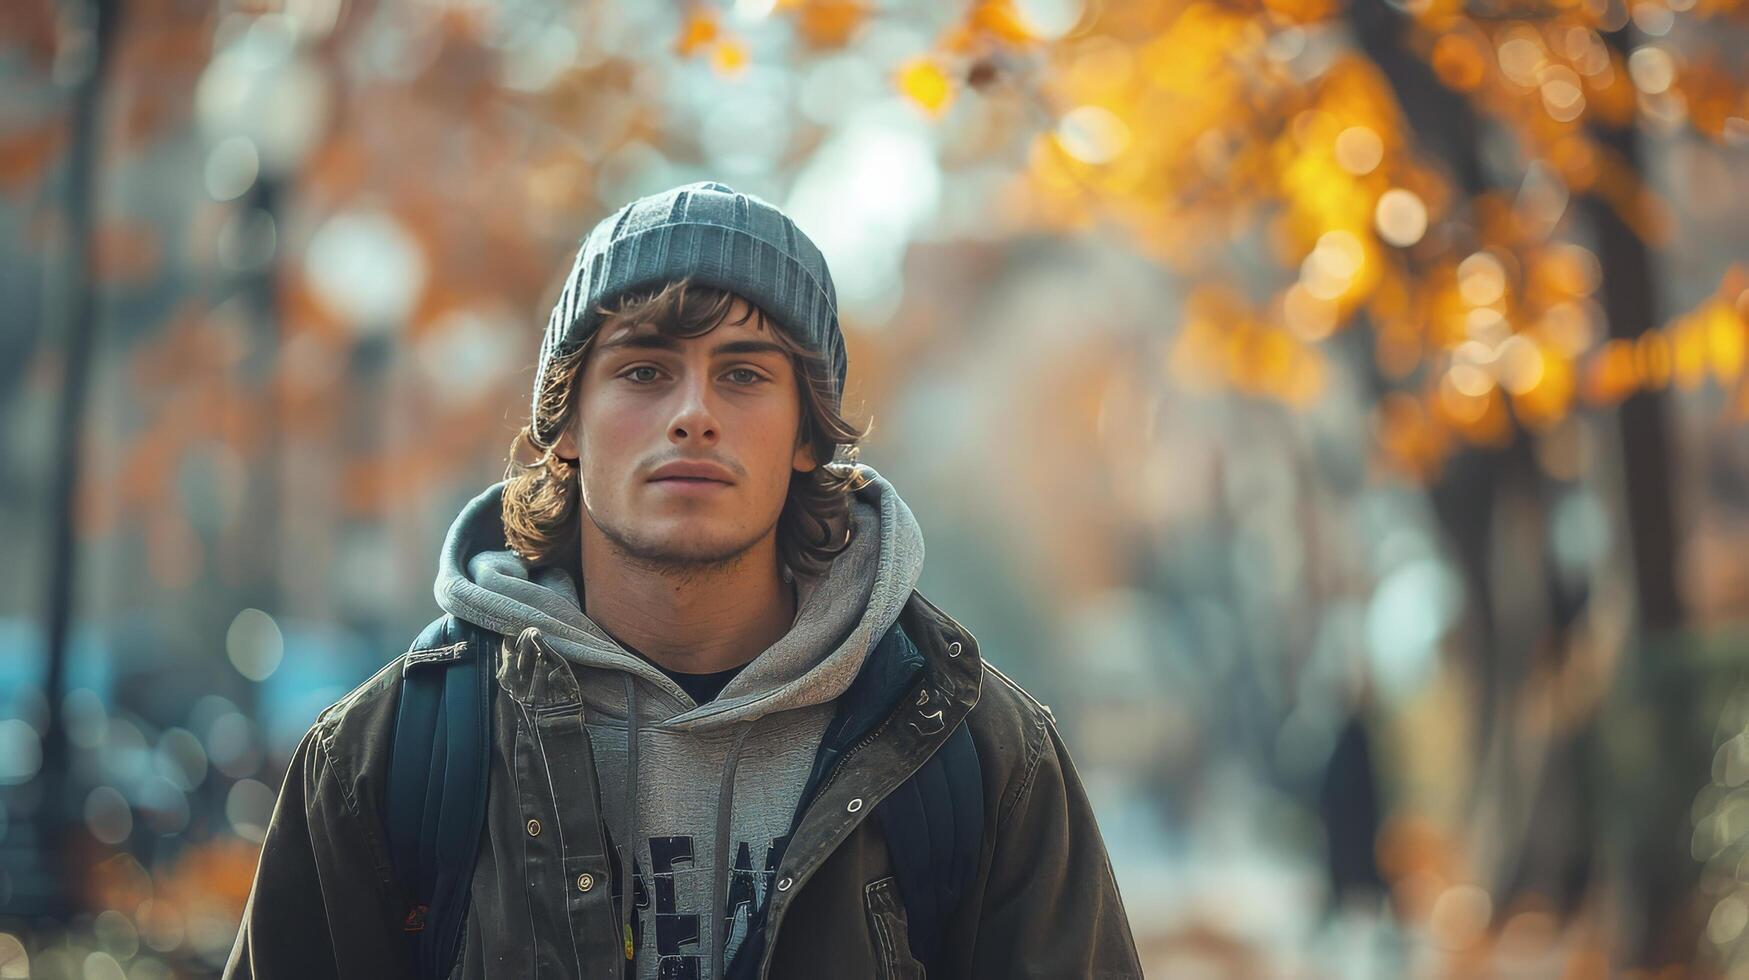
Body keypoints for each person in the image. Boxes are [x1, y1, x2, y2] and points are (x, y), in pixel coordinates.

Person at [224, 181, 1141, 979]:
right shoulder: (387, 759)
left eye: (742, 375)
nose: (693, 414)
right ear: (568, 427)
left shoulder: (972, 750)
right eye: (644, 370)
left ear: (808, 436)